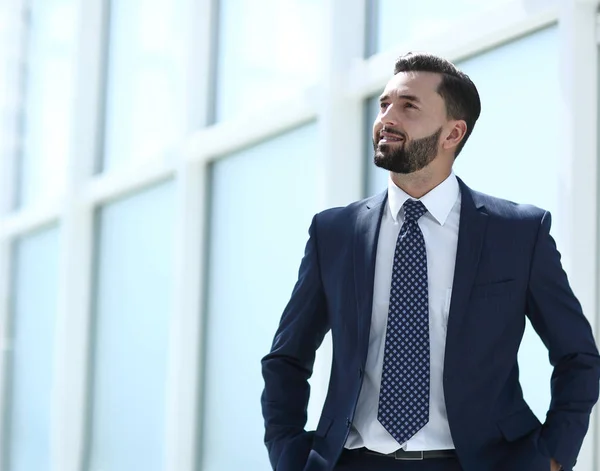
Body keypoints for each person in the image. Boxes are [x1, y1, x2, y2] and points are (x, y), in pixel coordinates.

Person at [260, 52, 600, 471]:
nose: (386, 117)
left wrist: (552, 457)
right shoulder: (335, 232)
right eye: (384, 104)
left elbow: (578, 357)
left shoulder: (519, 233)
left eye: (408, 106)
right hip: (354, 461)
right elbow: (287, 358)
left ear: (452, 132)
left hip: (479, 463)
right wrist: (288, 455)